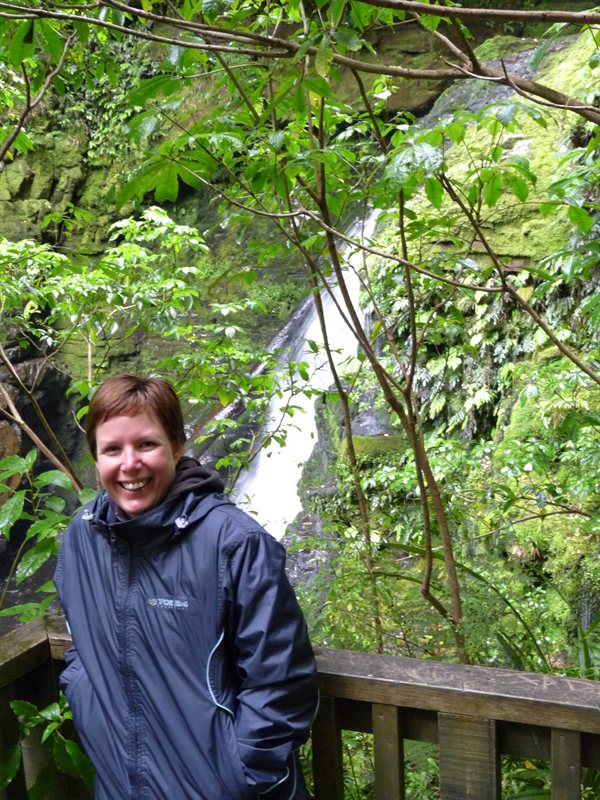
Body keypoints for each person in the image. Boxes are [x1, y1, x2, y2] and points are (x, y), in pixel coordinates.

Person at [54, 373, 319, 800]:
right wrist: (85, 697)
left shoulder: (235, 544)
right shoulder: (81, 538)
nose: (130, 464)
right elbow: (79, 644)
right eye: (112, 449)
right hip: (121, 785)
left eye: (146, 444)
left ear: (177, 446)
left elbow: (281, 682)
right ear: (96, 458)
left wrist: (238, 777)